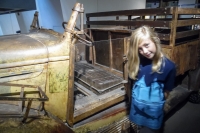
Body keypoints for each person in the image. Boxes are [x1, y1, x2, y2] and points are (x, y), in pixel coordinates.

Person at [127, 25, 176, 133]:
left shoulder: (169, 66)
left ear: (155, 41)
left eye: (146, 45)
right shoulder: (139, 62)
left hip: (153, 111)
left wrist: (155, 103)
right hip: (136, 108)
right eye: (140, 49)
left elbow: (166, 92)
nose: (144, 51)